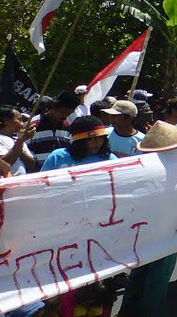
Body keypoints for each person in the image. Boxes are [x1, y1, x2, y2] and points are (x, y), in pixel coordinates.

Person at [40, 116, 118, 316]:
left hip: (99, 231)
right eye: (91, 139)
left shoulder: (109, 160)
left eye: (100, 138)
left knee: (98, 283)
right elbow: (41, 189)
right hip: (63, 231)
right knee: (66, 281)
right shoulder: (58, 157)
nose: (96, 143)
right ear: (78, 140)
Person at [118, 121, 177, 317]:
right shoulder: (175, 168)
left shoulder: (140, 166)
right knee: (159, 275)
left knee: (140, 270)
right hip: (166, 228)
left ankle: (128, 309)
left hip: (140, 228)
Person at [27, 90, 80, 168]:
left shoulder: (67, 127)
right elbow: (26, 148)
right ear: (53, 107)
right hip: (38, 171)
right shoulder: (34, 124)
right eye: (63, 112)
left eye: (69, 114)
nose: (65, 116)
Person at [0, 106, 36, 175]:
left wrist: (20, 144)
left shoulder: (18, 139)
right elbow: (2, 165)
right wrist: (20, 142)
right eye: (19, 120)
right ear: (7, 121)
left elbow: (31, 165)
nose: (22, 123)